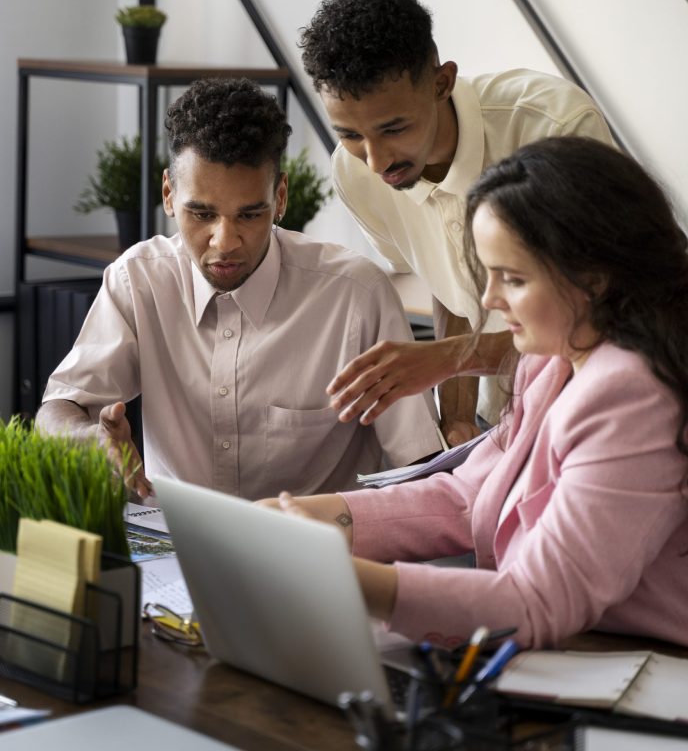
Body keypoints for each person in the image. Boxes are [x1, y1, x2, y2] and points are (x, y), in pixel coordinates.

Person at [262, 137, 688, 651]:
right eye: (488, 275)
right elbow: (472, 495)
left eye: (512, 279)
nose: (490, 299)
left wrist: (335, 576)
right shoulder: (554, 355)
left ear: (595, 279)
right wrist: (323, 517)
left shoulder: (632, 392)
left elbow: (538, 600)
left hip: (654, 670)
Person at [36, 78, 441, 501]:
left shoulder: (357, 296)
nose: (224, 242)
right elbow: (59, 409)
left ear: (280, 197)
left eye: (249, 215)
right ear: (169, 195)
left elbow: (418, 468)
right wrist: (88, 438)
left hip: (320, 551)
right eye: (202, 213)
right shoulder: (137, 281)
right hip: (177, 548)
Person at [299, 0, 614, 444]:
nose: (377, 159)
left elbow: (606, 314)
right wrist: (456, 418)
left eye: (394, 128)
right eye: (349, 134)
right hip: (504, 416)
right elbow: (449, 284)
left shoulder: (553, 127)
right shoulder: (355, 171)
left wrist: (450, 357)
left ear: (442, 83)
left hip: (608, 405)